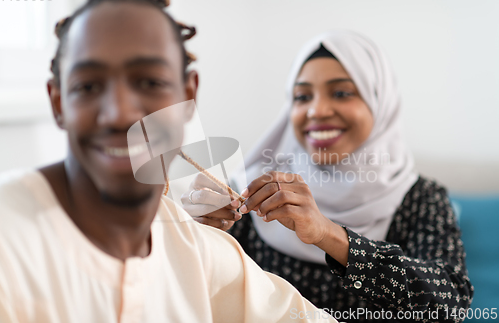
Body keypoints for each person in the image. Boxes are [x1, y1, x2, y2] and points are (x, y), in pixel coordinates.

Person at [0, 0, 341, 322]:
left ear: (188, 94)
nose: (119, 113)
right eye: (88, 86)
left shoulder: (194, 248)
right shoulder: (10, 239)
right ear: (58, 103)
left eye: (149, 82)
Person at [183, 31, 473, 322]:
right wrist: (199, 235)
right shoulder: (253, 189)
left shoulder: (420, 198)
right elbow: (195, 294)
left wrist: (328, 234)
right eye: (302, 96)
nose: (317, 110)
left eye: (342, 92)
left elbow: (450, 306)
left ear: (379, 102)